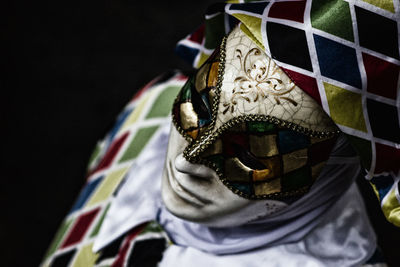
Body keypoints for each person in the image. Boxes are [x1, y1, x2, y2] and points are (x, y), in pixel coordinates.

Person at [41, 1, 399, 266]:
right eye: (196, 108)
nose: (186, 161)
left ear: (331, 172)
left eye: (249, 156)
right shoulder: (151, 107)